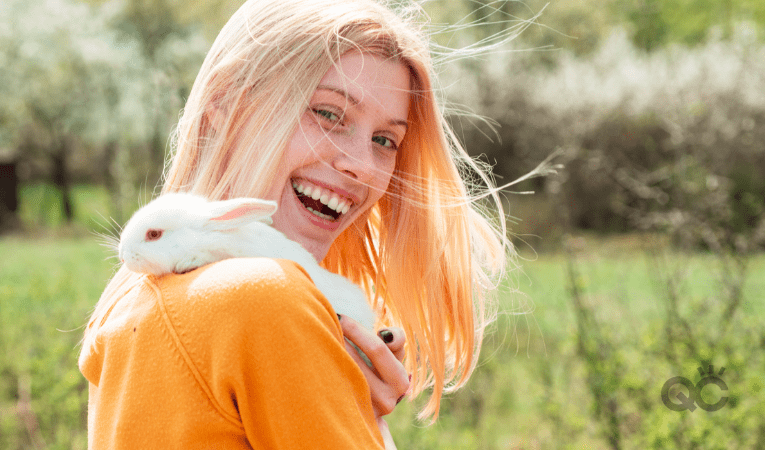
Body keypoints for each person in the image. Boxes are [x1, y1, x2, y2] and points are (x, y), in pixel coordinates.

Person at [79, 0, 509, 448]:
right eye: (327, 113)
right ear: (226, 104)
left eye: (385, 140)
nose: (362, 164)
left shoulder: (131, 297)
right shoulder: (266, 295)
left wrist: (334, 396)